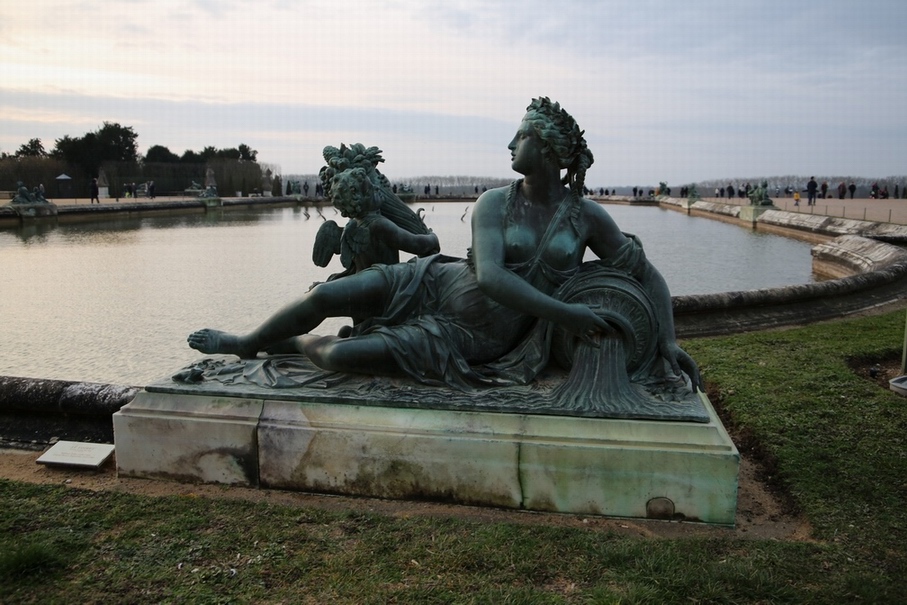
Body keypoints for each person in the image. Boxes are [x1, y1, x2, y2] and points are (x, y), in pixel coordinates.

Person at [188, 97, 699, 391]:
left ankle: (291, 344)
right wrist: (567, 315)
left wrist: (668, 342)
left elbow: (647, 275)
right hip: (432, 281)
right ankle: (246, 342)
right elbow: (490, 275)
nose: (510, 144)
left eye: (520, 136)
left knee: (341, 355)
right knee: (325, 295)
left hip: (472, 335)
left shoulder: (586, 217)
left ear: (545, 149)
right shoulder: (494, 202)